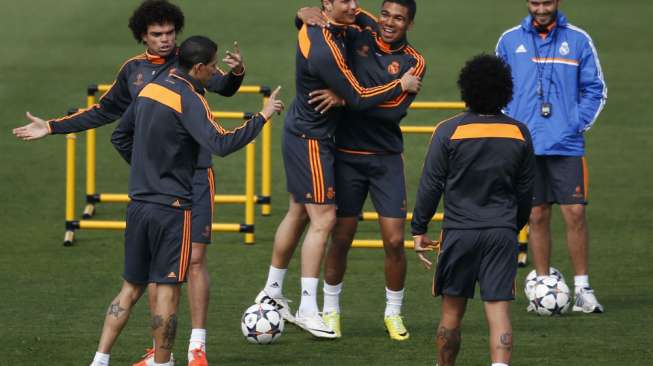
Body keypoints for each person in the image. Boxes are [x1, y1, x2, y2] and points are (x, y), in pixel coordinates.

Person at [12, 1, 246, 364]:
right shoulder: (133, 71)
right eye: (157, 35)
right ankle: (159, 352)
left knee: (194, 261)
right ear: (143, 37)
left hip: (196, 177)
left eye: (170, 33)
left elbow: (223, 86)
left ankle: (196, 346)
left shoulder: (189, 63)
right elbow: (106, 111)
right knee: (159, 275)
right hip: (157, 191)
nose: (166, 40)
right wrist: (54, 126)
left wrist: (236, 75)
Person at [89, 35, 283, 366]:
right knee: (167, 293)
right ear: (198, 67)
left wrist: (147, 170)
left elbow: (120, 136)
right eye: (212, 66)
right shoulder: (190, 98)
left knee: (129, 289)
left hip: (138, 204)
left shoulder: (151, 87)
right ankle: (163, 363)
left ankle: (99, 360)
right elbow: (220, 143)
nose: (215, 71)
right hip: (172, 210)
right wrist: (262, 117)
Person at [253, 0, 421, 339]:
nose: (387, 22)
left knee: (305, 213)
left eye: (398, 18)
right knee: (330, 226)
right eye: (385, 14)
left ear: (409, 24)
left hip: (375, 153)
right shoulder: (332, 42)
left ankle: (273, 291)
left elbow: (389, 111)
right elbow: (358, 97)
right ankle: (316, 309)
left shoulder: (367, 31)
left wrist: (301, 13)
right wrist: (371, 92)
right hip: (326, 143)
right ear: (327, 5)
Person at [411, 54, 535, 366]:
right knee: (498, 312)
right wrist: (513, 225)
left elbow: (430, 184)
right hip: (501, 232)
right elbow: (525, 191)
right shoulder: (519, 133)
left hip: (459, 233)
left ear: (466, 89)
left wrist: (419, 229)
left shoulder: (448, 130)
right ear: (505, 90)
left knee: (452, 312)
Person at [495, 0, 607, 313]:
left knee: (575, 214)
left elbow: (596, 89)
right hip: (526, 147)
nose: (541, 8)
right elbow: (496, 89)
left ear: (556, 2)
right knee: (537, 215)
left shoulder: (579, 40)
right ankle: (542, 285)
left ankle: (583, 289)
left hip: (567, 145)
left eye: (547, 2)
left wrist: (574, 124)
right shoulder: (509, 40)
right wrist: (513, 127)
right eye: (535, 2)